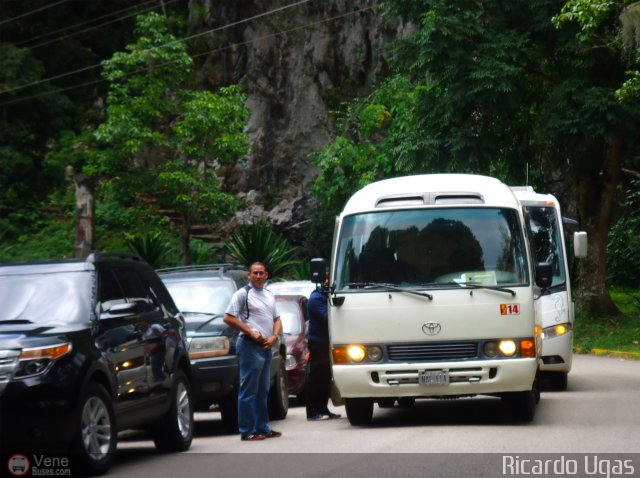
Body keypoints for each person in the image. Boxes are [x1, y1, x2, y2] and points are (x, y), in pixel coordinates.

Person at [223, 262, 283, 441]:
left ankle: (262, 428)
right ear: (249, 275)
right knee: (248, 390)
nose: (258, 276)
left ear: (266, 275)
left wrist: (274, 337)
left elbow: (277, 319)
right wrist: (250, 331)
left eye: (261, 273)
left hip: (266, 346)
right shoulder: (242, 294)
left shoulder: (269, 295)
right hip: (249, 345)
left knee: (263, 390)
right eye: (254, 273)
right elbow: (228, 317)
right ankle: (247, 430)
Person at [305, 275, 341, 421]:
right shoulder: (316, 299)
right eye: (324, 279)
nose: (327, 282)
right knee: (317, 378)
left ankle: (323, 409)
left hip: (326, 342)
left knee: (325, 378)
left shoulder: (325, 296)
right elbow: (329, 318)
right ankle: (313, 411)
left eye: (329, 279)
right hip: (318, 343)